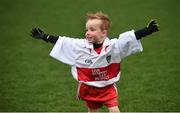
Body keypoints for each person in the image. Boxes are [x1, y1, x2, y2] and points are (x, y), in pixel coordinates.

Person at [30, 11, 159, 112]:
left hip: (108, 88)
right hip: (89, 88)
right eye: (87, 29)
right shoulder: (80, 46)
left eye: (92, 30)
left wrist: (148, 30)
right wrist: (45, 36)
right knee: (92, 110)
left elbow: (129, 38)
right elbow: (63, 41)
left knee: (114, 109)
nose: (87, 33)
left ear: (104, 33)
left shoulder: (114, 46)